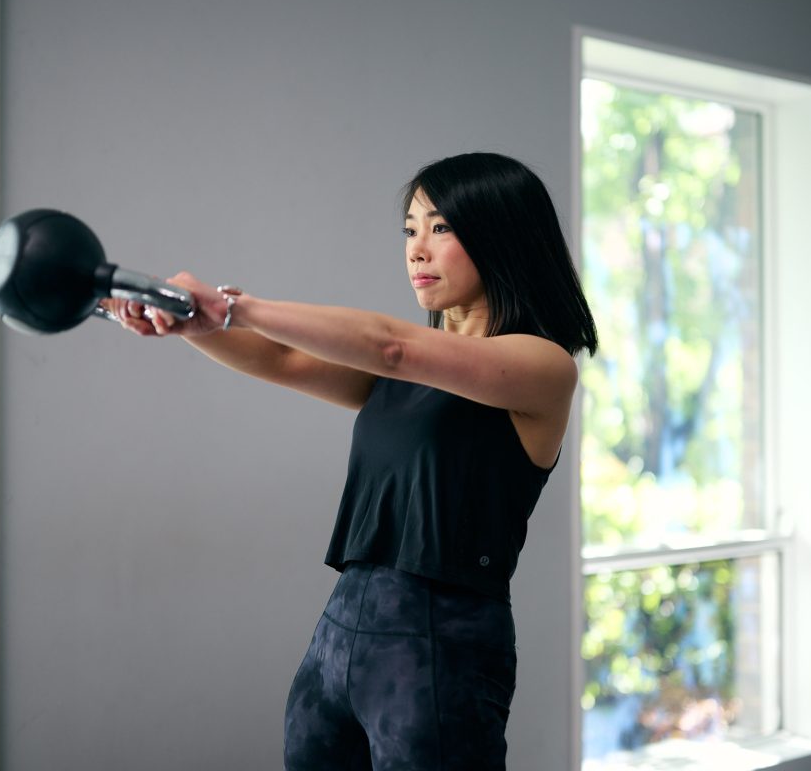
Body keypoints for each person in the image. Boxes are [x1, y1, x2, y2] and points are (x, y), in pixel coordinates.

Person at [103, 152, 598, 770]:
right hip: (338, 639)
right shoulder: (411, 369)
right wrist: (190, 326)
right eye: (410, 229)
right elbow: (279, 361)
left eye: (441, 228)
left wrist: (234, 307)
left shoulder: (542, 367)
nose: (417, 249)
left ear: (502, 234)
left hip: (441, 648)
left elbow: (393, 348)